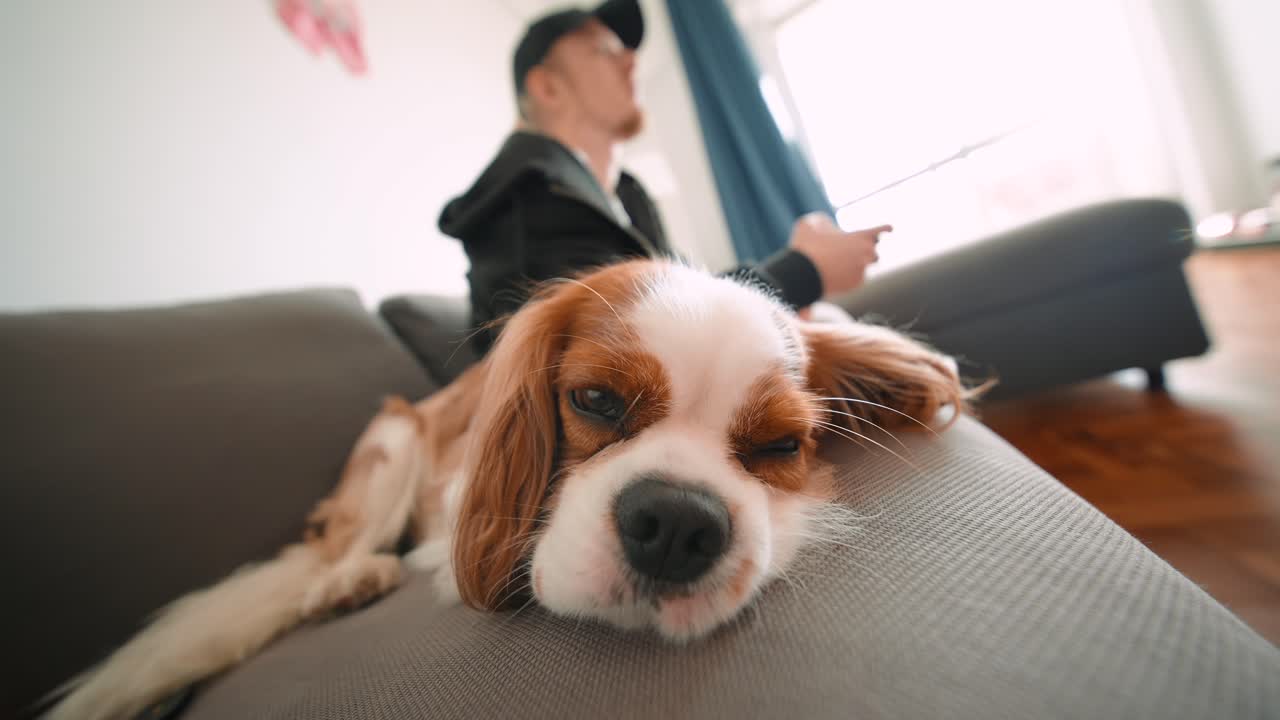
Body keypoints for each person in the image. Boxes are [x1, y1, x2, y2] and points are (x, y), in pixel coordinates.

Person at [438, 0, 890, 353]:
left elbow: (672, 306)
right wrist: (802, 270)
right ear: (547, 87)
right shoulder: (525, 196)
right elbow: (616, 352)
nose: (632, 61)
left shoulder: (626, 197)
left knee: (830, 324)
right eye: (606, 50)